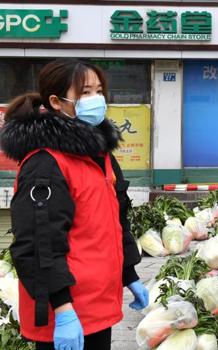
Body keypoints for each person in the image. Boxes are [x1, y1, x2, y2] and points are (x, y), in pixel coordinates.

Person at [0, 59, 150, 350]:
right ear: (56, 101)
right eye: (84, 93)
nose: (95, 100)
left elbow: (117, 218)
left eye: (98, 91)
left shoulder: (99, 153)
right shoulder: (45, 163)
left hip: (97, 305)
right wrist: (63, 308)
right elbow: (37, 243)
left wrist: (128, 273)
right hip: (64, 310)